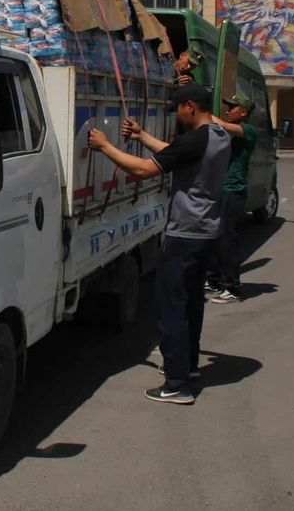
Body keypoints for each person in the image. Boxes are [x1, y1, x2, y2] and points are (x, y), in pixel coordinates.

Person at [88, 83, 230, 404]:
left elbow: (142, 170)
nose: (177, 115)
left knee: (171, 307)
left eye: (178, 109)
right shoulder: (219, 135)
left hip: (185, 234)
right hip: (207, 231)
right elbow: (177, 153)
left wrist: (105, 146)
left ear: (190, 106)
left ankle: (177, 384)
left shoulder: (194, 140)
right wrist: (142, 137)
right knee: (191, 304)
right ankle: (188, 366)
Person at [205, 94, 259, 304]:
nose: (228, 111)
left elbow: (224, 126)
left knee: (228, 240)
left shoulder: (249, 130)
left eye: (233, 107)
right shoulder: (229, 131)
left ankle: (232, 288)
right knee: (214, 237)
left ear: (243, 112)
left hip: (233, 191)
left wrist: (203, 113)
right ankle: (214, 281)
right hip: (220, 190)